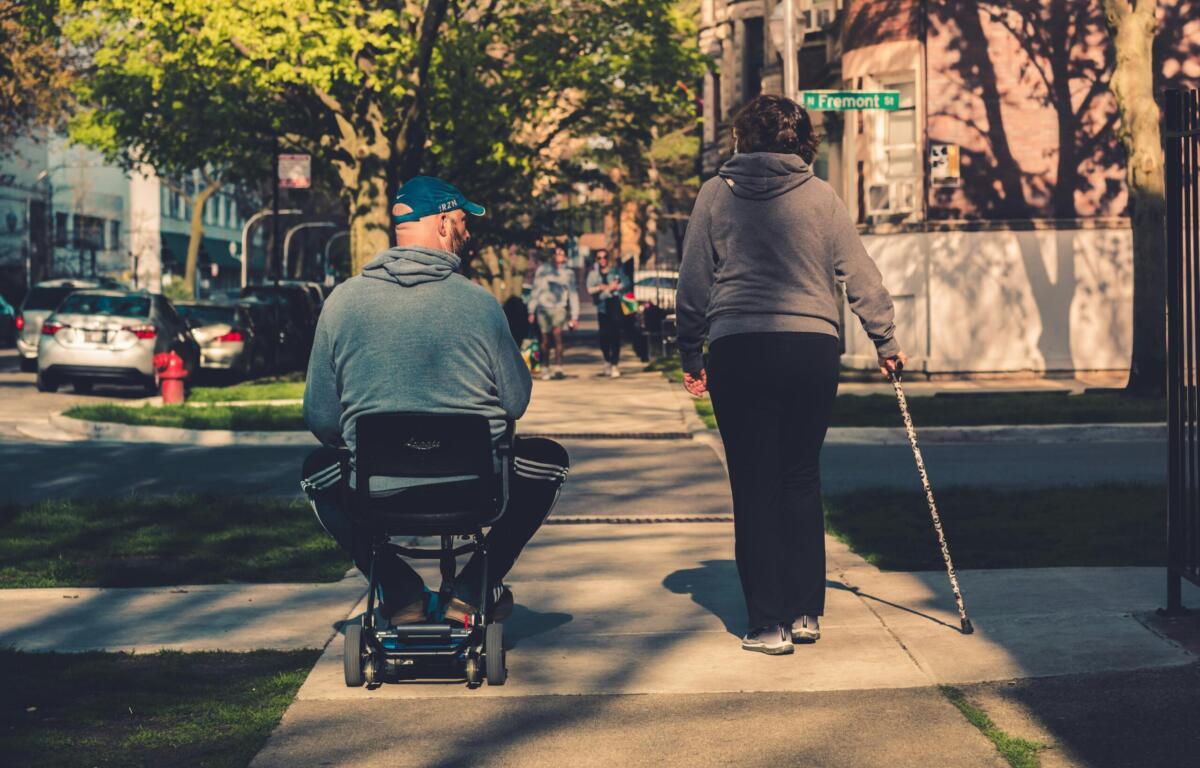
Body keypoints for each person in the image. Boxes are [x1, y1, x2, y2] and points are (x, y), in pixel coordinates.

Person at [676, 94, 906, 656]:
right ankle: (806, 611)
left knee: (754, 482)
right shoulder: (821, 196)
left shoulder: (715, 195)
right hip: (811, 347)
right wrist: (885, 340)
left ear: (741, 139)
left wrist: (690, 353)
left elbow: (692, 285)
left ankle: (767, 624)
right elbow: (861, 273)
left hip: (740, 345)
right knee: (800, 476)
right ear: (802, 142)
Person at [303, 175, 570, 626]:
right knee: (550, 461)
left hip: (376, 491)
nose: (468, 233)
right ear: (444, 224)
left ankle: (400, 590)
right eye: (464, 221)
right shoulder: (480, 304)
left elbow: (321, 417)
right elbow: (516, 401)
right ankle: (471, 591)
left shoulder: (341, 302)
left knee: (317, 472)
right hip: (473, 488)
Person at [527, 245, 579, 380]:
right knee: (544, 339)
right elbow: (536, 290)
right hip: (543, 307)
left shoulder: (569, 274)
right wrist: (531, 310)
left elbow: (573, 294)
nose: (558, 256)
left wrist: (574, 316)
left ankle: (558, 367)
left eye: (561, 253)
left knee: (557, 336)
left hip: (559, 308)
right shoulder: (543, 270)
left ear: (565, 257)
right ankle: (545, 367)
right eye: (556, 253)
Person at [585, 248, 632, 377]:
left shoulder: (616, 271)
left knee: (615, 334)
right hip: (602, 306)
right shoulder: (593, 274)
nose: (602, 260)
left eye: (604, 257)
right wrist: (601, 288)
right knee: (603, 335)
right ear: (596, 260)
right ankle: (607, 361)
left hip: (615, 304)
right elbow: (589, 289)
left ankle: (614, 364)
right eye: (599, 258)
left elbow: (627, 282)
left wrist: (617, 287)